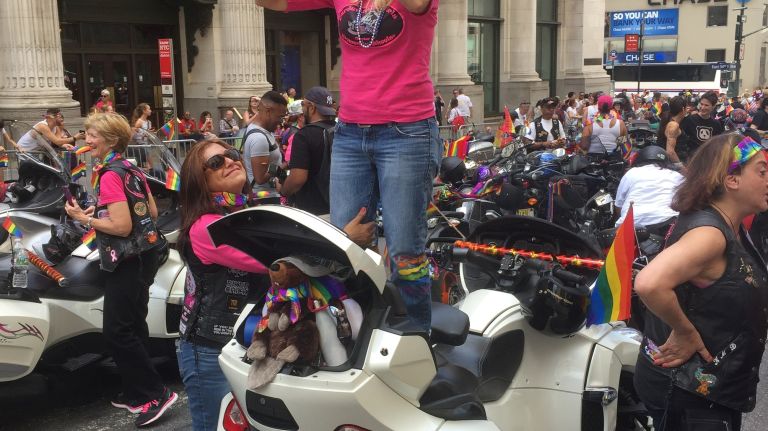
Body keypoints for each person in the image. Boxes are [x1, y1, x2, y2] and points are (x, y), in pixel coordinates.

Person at [258, 0, 440, 330]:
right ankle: (360, 330)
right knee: (345, 242)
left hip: (407, 132)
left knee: (405, 250)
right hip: (351, 133)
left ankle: (415, 339)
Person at [633, 133, 768, 431]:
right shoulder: (710, 234)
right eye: (761, 171)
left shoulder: (728, 224)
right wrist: (685, 331)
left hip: (705, 392)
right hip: (689, 394)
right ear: (732, 180)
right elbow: (649, 283)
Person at [64, 113, 177, 427]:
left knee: (117, 331)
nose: (87, 141)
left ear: (111, 140)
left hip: (128, 260)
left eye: (92, 135)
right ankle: (136, 390)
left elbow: (122, 225)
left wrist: (84, 218)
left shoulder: (110, 175)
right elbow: (152, 211)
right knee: (133, 324)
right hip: (146, 256)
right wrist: (100, 210)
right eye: (86, 134)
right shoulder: (129, 167)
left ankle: (155, 394)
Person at [176, 139, 270, 431]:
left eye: (231, 155)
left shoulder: (244, 213)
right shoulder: (207, 226)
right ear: (200, 181)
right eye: (216, 162)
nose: (230, 161)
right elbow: (274, 259)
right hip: (210, 351)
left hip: (247, 344)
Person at [278, 86, 336, 215]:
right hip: (340, 207)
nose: (302, 109)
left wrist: (283, 190)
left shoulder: (304, 135)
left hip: (314, 212)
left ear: (311, 107)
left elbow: (297, 179)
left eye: (303, 105)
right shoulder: (340, 131)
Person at [614, 145, 683, 229]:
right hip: (668, 224)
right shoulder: (677, 176)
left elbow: (618, 206)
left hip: (631, 226)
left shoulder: (631, 173)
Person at [242, 90, 286, 204]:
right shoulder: (259, 138)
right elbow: (260, 178)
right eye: (280, 116)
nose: (281, 121)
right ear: (268, 111)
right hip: (264, 200)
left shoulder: (263, 131)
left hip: (267, 198)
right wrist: (282, 166)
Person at [679, 91, 723, 160]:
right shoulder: (689, 120)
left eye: (706, 105)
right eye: (701, 104)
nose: (702, 107)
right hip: (691, 160)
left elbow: (718, 144)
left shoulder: (716, 124)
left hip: (708, 160)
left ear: (713, 106)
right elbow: (681, 141)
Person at [580, 95, 627, 159]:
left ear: (598, 107)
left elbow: (584, 146)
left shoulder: (590, 125)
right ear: (611, 107)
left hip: (594, 160)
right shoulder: (621, 124)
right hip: (614, 160)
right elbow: (623, 143)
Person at [15, 108, 83, 152]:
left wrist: (64, 145)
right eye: (59, 116)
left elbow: (59, 142)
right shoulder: (42, 126)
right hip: (23, 151)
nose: (61, 118)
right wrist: (74, 138)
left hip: (35, 153)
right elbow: (58, 141)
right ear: (52, 117)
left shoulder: (56, 128)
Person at [657, 96, 687, 166]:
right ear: (683, 109)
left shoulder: (668, 119)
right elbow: (670, 151)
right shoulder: (673, 125)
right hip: (673, 165)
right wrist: (681, 168)